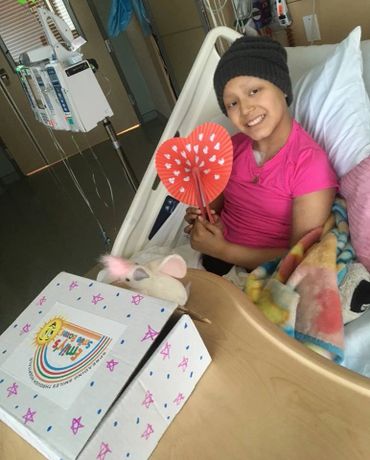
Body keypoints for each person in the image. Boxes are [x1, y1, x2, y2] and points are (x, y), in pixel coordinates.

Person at [184, 35, 338, 276]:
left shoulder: (309, 164)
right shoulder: (231, 148)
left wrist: (222, 249)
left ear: (283, 89)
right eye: (232, 103)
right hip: (213, 259)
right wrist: (201, 220)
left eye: (254, 91)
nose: (245, 109)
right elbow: (213, 205)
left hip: (266, 274)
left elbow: (300, 256)